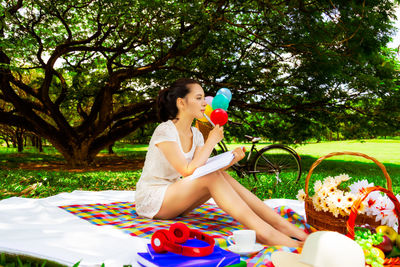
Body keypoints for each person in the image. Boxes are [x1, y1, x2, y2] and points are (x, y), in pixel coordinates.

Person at [135, 78, 308, 247]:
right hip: (153, 200)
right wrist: (211, 141)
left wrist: (232, 159)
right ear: (181, 103)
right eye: (198, 98)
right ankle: (265, 233)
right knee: (211, 177)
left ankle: (283, 226)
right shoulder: (165, 130)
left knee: (219, 175)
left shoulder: (195, 134)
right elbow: (187, 170)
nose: (205, 103)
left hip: (176, 200)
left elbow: (202, 169)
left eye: (204, 98)